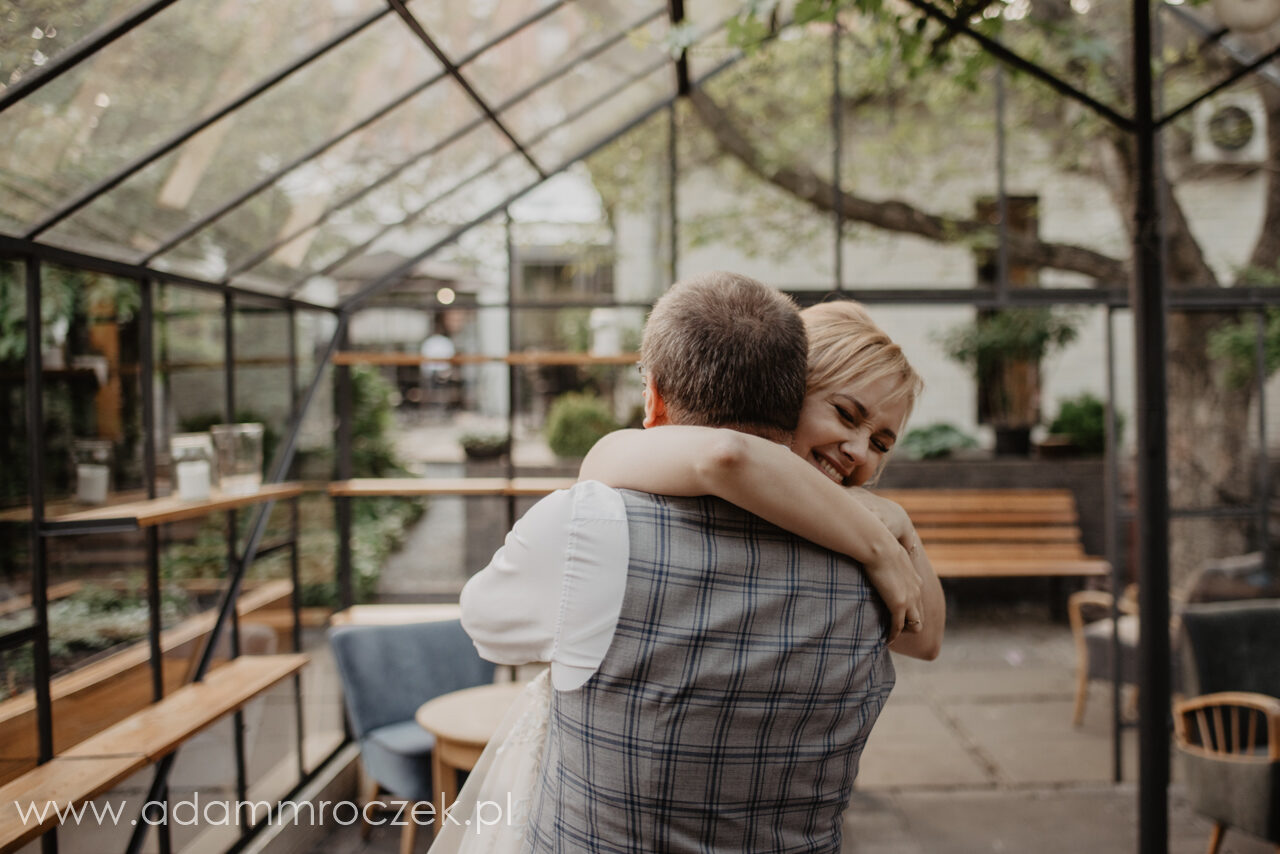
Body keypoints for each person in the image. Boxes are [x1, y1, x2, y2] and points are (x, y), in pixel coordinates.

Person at [447, 273, 940, 852]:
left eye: (882, 443)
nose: (859, 449)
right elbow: (723, 455)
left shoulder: (598, 522)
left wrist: (893, 527)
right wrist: (883, 541)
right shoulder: (862, 553)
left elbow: (925, 635)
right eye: (846, 415)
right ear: (787, 392)